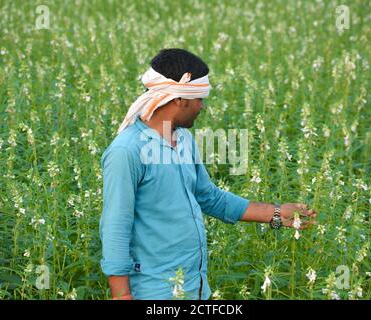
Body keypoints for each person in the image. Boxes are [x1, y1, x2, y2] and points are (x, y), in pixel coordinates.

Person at [99, 48, 317, 300]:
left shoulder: (183, 139)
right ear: (180, 99)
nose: (202, 106)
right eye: (200, 98)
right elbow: (116, 225)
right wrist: (122, 296)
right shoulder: (126, 151)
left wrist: (277, 213)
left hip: (194, 286)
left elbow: (208, 196)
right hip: (152, 291)